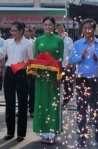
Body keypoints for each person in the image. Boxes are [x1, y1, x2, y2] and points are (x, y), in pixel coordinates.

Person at [0, 21, 34, 143]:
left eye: (15, 30)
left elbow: (31, 60)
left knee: (22, 103)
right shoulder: (8, 42)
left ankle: (21, 133)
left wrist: (23, 65)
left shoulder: (28, 44)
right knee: (9, 102)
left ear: (21, 31)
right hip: (10, 72)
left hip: (22, 72)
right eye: (11, 30)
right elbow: (0, 54)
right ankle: (10, 131)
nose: (12, 33)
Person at [69, 18, 98, 149]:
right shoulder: (77, 44)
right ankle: (82, 135)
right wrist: (81, 57)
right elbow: (71, 60)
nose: (87, 30)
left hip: (97, 80)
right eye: (84, 28)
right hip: (82, 80)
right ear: (82, 30)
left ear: (94, 29)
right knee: (81, 109)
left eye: (90, 28)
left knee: (97, 110)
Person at [33, 16, 64, 145]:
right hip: (40, 76)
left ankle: (52, 132)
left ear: (54, 26)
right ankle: (42, 132)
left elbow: (61, 59)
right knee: (41, 102)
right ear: (42, 26)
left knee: (52, 102)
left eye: (50, 25)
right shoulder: (38, 40)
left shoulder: (59, 40)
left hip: (53, 76)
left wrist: (53, 65)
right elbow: (35, 57)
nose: (47, 27)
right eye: (45, 25)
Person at [57, 23, 74, 107]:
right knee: (56, 83)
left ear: (64, 29)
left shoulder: (68, 40)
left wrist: (69, 63)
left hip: (66, 65)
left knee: (67, 84)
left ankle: (65, 101)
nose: (61, 29)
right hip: (56, 66)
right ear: (56, 30)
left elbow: (71, 52)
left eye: (62, 28)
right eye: (59, 28)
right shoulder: (55, 39)